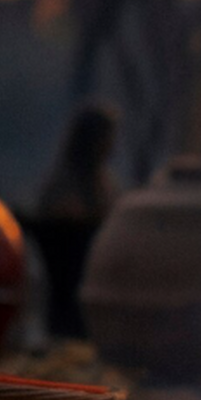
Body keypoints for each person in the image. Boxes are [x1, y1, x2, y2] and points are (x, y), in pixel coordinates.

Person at [31, 104, 119, 337]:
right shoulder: (64, 183)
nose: (112, 145)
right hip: (67, 292)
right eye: (107, 137)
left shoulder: (103, 183)